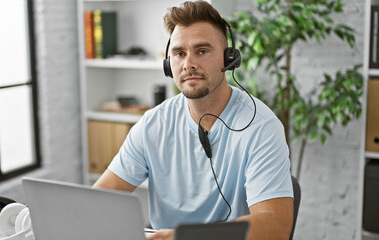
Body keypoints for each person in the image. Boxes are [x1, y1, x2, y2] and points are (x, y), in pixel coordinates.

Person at [93, 1, 294, 239]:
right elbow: (98, 202)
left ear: (228, 59)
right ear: (169, 64)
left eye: (202, 51)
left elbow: (276, 225)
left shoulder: (261, 126)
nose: (188, 64)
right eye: (179, 53)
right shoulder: (152, 124)